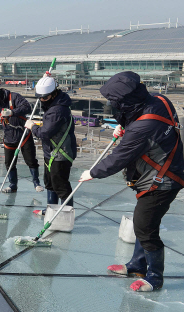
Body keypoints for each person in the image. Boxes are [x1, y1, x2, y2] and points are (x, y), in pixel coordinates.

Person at [78, 71, 184, 292]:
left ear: (126, 101)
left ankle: (155, 277)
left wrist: (94, 172)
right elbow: (138, 119)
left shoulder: (143, 128)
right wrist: (125, 125)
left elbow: (120, 157)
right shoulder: (158, 99)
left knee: (145, 227)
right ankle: (137, 266)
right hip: (163, 171)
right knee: (142, 222)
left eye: (116, 103)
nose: (113, 106)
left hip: (163, 181)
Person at [25, 76, 77, 215]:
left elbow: (45, 133)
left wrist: (32, 127)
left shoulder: (57, 111)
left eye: (45, 98)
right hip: (52, 152)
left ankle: (66, 214)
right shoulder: (53, 104)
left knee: (61, 186)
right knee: (50, 183)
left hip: (61, 154)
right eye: (40, 98)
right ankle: (51, 210)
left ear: (54, 94)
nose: (42, 100)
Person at [0, 84, 43, 193]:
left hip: (23, 134)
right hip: (9, 136)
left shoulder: (14, 97)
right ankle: (13, 185)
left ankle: (36, 182)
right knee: (9, 163)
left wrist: (12, 112)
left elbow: (27, 107)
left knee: (31, 161)